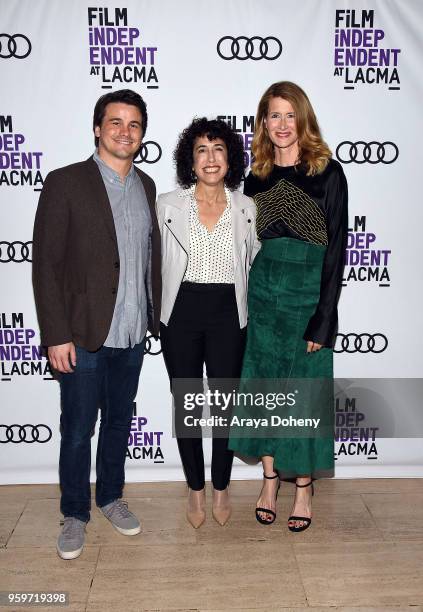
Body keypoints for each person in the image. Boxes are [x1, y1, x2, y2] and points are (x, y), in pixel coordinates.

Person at [32, 89, 161, 559]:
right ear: (97, 128)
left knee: (119, 423)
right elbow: (45, 266)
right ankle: (73, 513)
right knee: (77, 428)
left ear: (142, 134)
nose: (124, 132)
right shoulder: (65, 183)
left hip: (131, 332)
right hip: (81, 335)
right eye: (115, 123)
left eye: (134, 125)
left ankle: (110, 496)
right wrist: (56, 334)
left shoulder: (147, 187)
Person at [229, 81, 348, 532]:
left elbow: (337, 250)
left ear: (303, 118)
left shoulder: (328, 172)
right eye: (272, 116)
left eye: (289, 115)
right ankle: (269, 480)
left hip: (307, 298)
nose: (281, 124)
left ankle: (303, 487)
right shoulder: (256, 176)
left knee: (304, 394)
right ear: (263, 122)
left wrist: (325, 318)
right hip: (263, 297)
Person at [157, 118, 260, 528]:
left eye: (218, 149)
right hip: (181, 313)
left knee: (222, 409)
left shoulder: (246, 208)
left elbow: (251, 262)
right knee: (187, 406)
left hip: (227, 314)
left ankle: (221, 487)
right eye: (202, 149)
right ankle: (195, 491)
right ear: (190, 159)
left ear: (230, 158)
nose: (211, 158)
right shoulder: (168, 204)